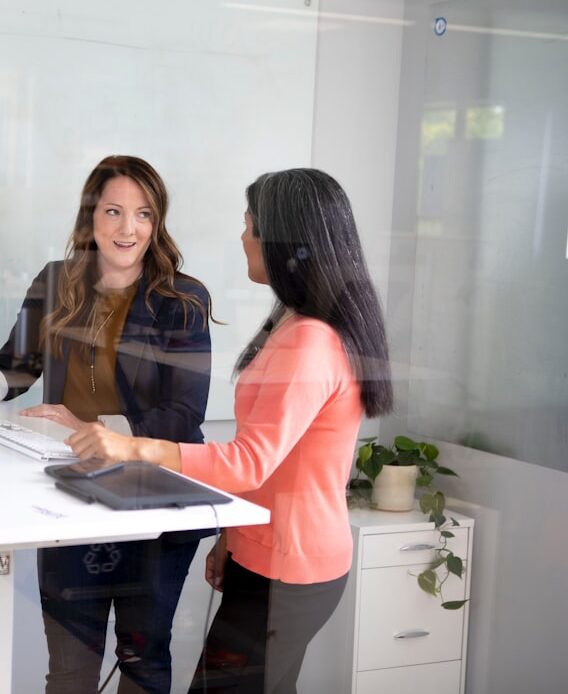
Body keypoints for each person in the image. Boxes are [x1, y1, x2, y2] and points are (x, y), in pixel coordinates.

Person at [65, 168, 394, 694]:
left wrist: (132, 446)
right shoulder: (294, 319)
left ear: (287, 242)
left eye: (250, 227)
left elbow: (249, 461)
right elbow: (278, 460)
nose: (243, 237)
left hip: (289, 567)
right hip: (267, 555)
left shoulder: (310, 339)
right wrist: (233, 540)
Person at [0, 155, 217, 693]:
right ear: (91, 217)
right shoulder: (57, 281)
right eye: (114, 211)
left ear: (157, 221)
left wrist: (95, 424)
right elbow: (15, 369)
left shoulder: (182, 299)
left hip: (154, 494)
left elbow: (184, 417)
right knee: (70, 667)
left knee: (144, 662)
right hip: (74, 494)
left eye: (143, 214)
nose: (128, 228)